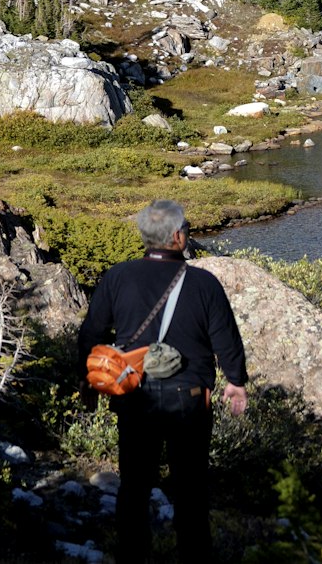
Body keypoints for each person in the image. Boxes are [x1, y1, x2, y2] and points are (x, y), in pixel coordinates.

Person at [77, 199, 248, 564]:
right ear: (177, 236)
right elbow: (226, 340)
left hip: (134, 398)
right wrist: (236, 381)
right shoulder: (204, 283)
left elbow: (91, 334)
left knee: (134, 490)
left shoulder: (117, 276)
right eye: (186, 227)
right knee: (191, 494)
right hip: (190, 400)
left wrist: (88, 382)